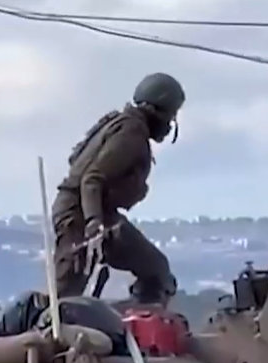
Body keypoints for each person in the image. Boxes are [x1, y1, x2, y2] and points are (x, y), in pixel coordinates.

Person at [52, 72, 186, 306]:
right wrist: (94, 223)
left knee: (156, 269)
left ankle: (136, 317)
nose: (169, 125)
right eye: (170, 115)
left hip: (95, 213)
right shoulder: (131, 133)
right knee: (65, 300)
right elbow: (92, 179)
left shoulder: (124, 125)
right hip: (81, 215)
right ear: (158, 111)